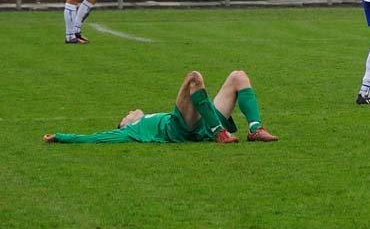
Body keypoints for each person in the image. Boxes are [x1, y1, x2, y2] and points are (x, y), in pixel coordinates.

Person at [43, 70, 278, 144]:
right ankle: (219, 132)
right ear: (125, 123)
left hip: (202, 120)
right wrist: (62, 137)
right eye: (126, 115)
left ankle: (254, 129)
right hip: (180, 128)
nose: (131, 111)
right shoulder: (131, 130)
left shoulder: (150, 117)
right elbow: (94, 138)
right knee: (194, 78)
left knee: (238, 76)